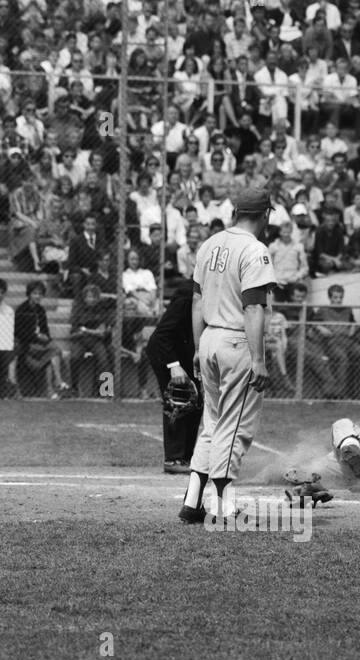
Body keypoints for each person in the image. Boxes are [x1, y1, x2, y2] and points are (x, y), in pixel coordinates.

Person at [176, 186, 276, 524]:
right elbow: (253, 308)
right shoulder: (255, 248)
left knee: (212, 424)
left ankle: (192, 502)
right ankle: (222, 506)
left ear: (236, 212)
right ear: (264, 214)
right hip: (236, 342)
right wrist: (259, 359)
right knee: (234, 427)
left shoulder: (209, 244)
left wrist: (196, 345)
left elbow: (196, 301)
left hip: (209, 338)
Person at [144, 282, 201, 474]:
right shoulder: (187, 295)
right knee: (179, 398)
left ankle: (187, 457)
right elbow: (162, 335)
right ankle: (174, 459)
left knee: (196, 402)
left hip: (187, 354)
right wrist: (174, 366)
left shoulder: (216, 293)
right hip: (166, 353)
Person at [14, 280, 65, 398]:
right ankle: (57, 381)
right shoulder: (22, 309)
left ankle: (52, 388)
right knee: (55, 351)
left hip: (40, 344)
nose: (37, 296)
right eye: (35, 293)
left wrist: (45, 337)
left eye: (40, 294)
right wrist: (37, 337)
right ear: (29, 294)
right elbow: (19, 332)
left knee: (54, 351)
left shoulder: (41, 310)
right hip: (27, 344)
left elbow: (45, 329)